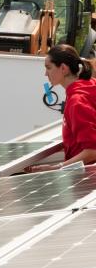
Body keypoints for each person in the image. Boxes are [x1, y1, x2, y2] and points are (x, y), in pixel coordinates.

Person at [26, 44, 96, 173]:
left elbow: (92, 151)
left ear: (63, 68)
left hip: (87, 179)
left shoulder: (77, 102)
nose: (45, 73)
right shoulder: (90, 84)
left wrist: (56, 168)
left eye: (48, 67)